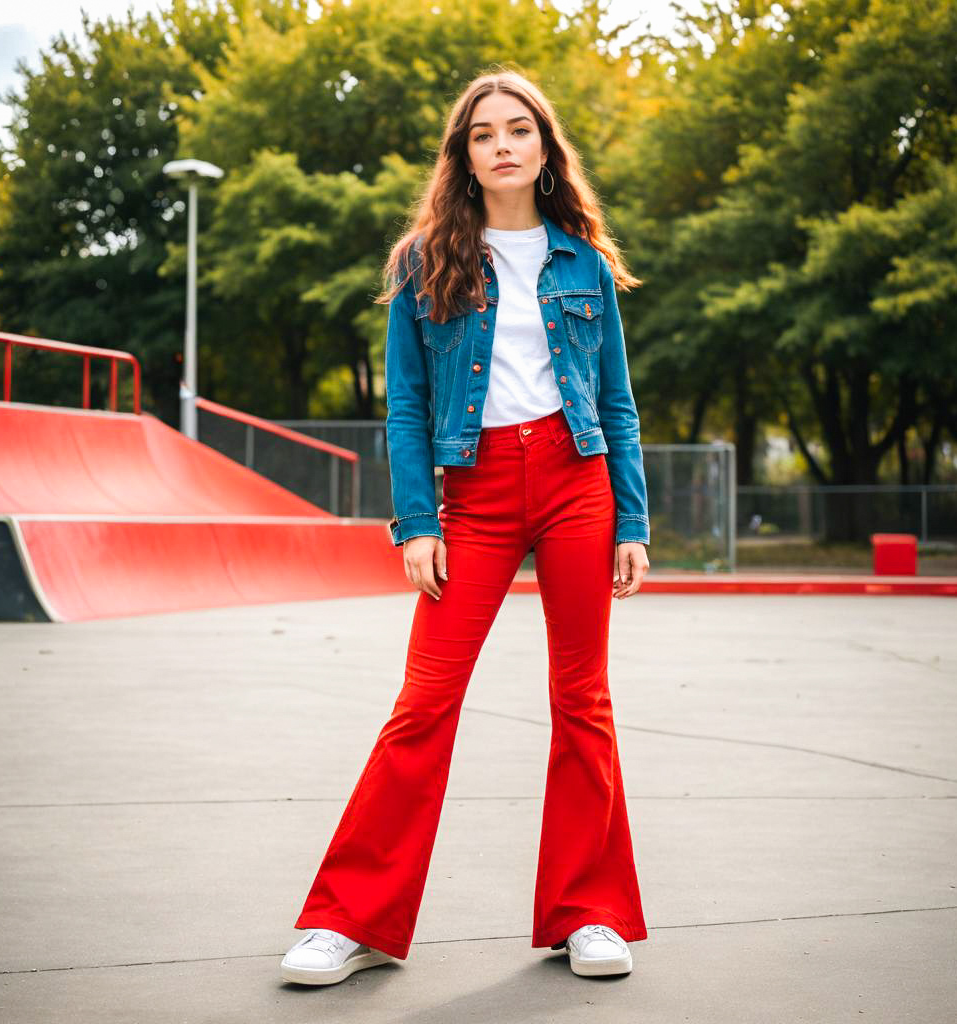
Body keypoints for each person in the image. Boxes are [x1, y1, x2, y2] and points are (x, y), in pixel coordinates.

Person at [281, 69, 651, 986]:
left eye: (518, 129)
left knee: (583, 700)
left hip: (577, 479)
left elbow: (619, 402)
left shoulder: (583, 262)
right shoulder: (424, 260)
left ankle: (590, 914)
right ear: (464, 156)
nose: (502, 146)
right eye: (483, 134)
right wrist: (416, 521)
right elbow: (405, 406)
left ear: (544, 146)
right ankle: (348, 920)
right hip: (475, 493)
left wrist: (630, 517)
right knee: (425, 702)